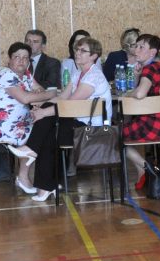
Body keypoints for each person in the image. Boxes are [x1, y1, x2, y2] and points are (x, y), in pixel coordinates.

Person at [25, 35, 113, 192]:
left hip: (91, 130)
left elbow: (70, 104)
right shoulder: (78, 73)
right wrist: (42, 107)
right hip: (77, 123)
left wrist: (44, 113)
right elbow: (61, 98)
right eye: (77, 49)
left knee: (49, 131)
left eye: (83, 51)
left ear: (94, 56)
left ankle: (39, 172)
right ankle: (44, 183)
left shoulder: (94, 76)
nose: (77, 53)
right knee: (49, 130)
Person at [0, 42, 59, 202]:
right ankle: (30, 178)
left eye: (25, 58)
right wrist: (50, 94)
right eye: (17, 57)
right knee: (43, 131)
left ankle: (42, 181)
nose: (21, 61)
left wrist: (39, 98)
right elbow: (26, 98)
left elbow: (38, 90)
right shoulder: (6, 75)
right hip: (1, 124)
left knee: (46, 125)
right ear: (9, 59)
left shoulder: (26, 74)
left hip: (20, 120)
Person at [121, 33, 160, 189]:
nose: (136, 50)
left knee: (114, 137)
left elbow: (140, 94)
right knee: (122, 132)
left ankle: (145, 167)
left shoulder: (150, 68)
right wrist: (137, 76)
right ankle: (142, 172)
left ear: (152, 52)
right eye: (136, 46)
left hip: (151, 124)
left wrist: (127, 94)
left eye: (141, 47)